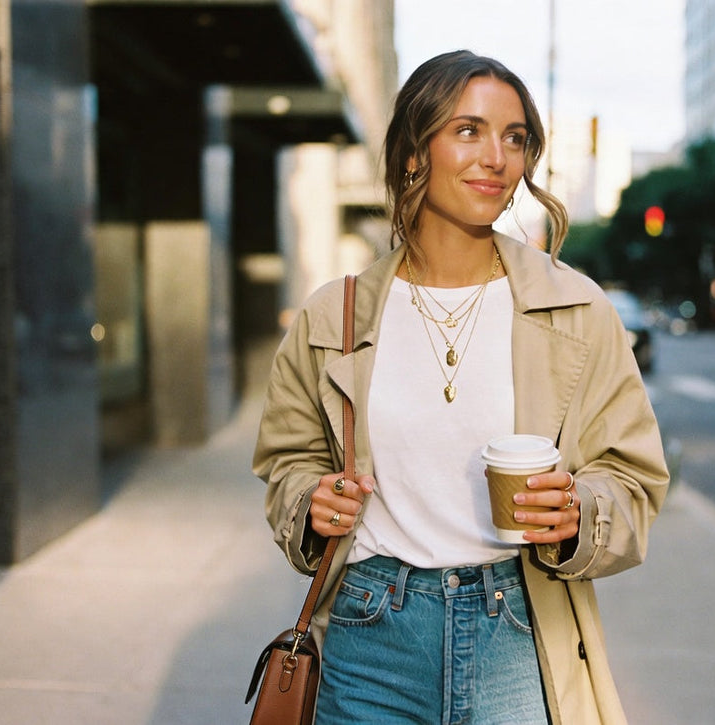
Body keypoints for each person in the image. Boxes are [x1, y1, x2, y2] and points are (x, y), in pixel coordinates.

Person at [253, 49, 669, 725]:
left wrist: (577, 514)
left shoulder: (575, 309)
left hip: (519, 625)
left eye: (515, 138)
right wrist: (311, 500)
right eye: (468, 130)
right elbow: (288, 459)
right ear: (415, 151)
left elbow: (633, 476)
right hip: (371, 630)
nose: (497, 158)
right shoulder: (336, 313)